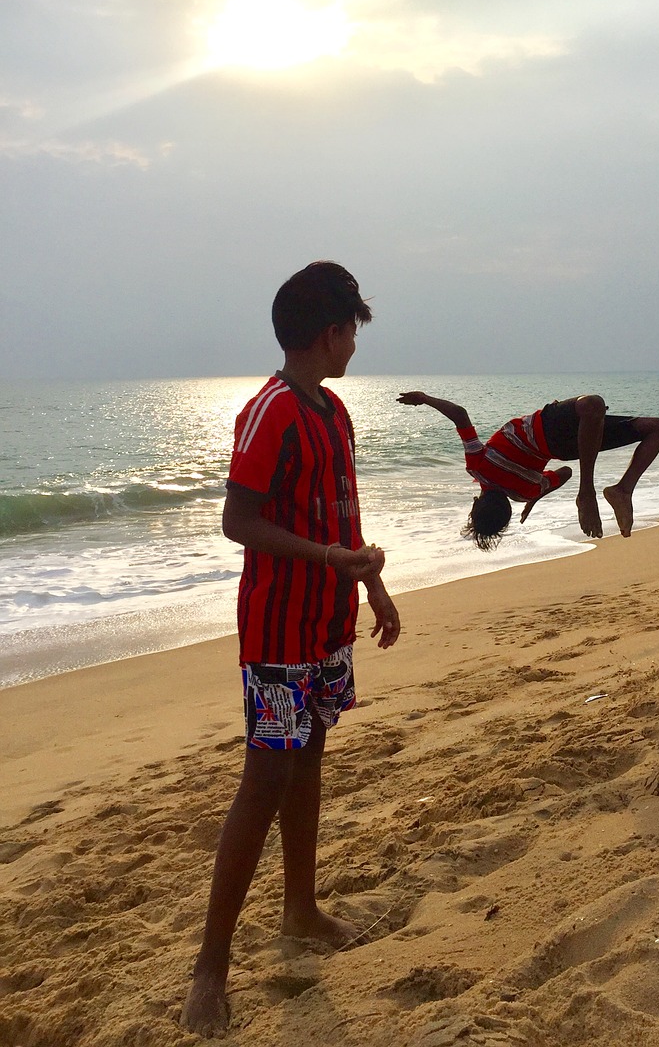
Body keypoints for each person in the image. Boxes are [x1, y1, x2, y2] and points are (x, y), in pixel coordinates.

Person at [181, 261, 401, 1038]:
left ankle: (301, 909)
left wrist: (369, 585)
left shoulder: (333, 412)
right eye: (350, 332)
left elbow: (342, 510)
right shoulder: (270, 411)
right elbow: (238, 521)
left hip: (327, 622)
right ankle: (211, 965)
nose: (353, 347)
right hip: (277, 628)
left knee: (308, 756)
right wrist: (327, 560)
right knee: (263, 777)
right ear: (328, 332)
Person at [396, 391, 659, 550]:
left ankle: (621, 491)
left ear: (508, 512)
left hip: (568, 447)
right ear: (475, 503)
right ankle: (595, 492)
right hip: (547, 428)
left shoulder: (524, 491)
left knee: (651, 427)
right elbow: (460, 414)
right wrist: (424, 398)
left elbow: (564, 473)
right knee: (598, 407)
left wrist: (536, 496)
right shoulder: (477, 466)